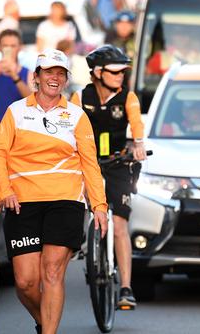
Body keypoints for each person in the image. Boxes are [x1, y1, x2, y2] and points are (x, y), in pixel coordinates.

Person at [0, 49, 108, 334]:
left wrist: (99, 206)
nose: (54, 78)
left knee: (53, 271)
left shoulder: (77, 116)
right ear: (37, 78)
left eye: (60, 73)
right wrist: (4, 190)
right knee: (25, 283)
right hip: (23, 202)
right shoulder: (16, 111)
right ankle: (46, 322)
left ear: (66, 80)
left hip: (65, 200)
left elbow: (90, 164)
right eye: (49, 72)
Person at [70, 45, 146, 309]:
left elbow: (137, 125)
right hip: (87, 162)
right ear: (98, 73)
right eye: (115, 71)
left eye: (123, 71)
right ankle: (83, 238)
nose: (120, 76)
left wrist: (138, 145)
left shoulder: (128, 97)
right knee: (75, 199)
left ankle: (126, 287)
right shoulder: (80, 97)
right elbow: (67, 128)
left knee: (121, 224)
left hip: (118, 162)